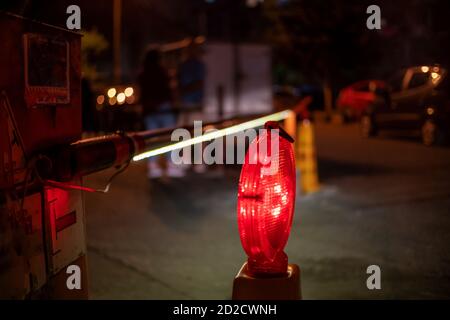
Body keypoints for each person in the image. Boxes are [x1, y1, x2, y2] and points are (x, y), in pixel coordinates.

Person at [138, 48, 184, 178]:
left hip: (149, 110)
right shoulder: (162, 72)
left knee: (152, 139)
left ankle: (153, 167)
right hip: (164, 108)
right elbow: (168, 90)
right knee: (169, 137)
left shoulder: (143, 73)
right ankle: (171, 166)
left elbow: (143, 93)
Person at [177, 40, 207, 173]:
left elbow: (199, 83)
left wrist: (184, 91)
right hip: (191, 104)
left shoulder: (192, 65)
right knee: (190, 134)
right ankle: (191, 162)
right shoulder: (193, 65)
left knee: (192, 134)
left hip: (193, 104)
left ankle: (196, 162)